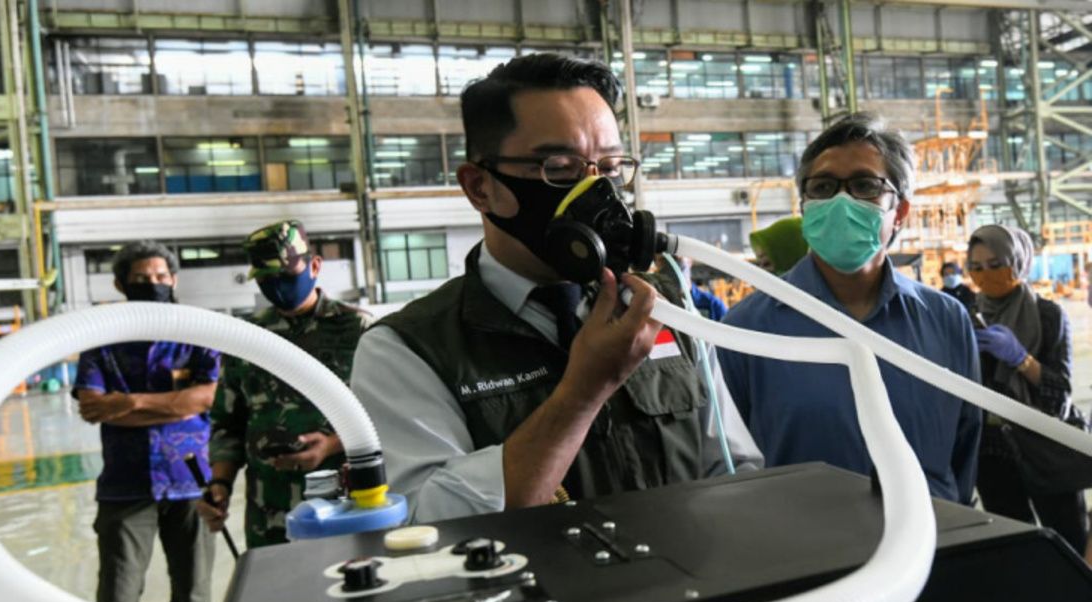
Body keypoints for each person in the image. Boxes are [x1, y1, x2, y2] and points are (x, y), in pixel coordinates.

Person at [350, 53, 761, 523]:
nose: (595, 193)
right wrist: (583, 392)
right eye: (559, 169)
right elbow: (428, 530)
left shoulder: (661, 302)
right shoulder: (407, 351)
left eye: (608, 168)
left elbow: (734, 466)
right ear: (479, 187)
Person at [719, 113, 981, 504]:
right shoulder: (745, 331)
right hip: (807, 554)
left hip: (934, 547)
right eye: (823, 187)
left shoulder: (945, 320)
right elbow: (730, 463)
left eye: (864, 185)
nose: (841, 201)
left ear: (902, 212)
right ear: (804, 206)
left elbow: (964, 448)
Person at [68, 241, 219, 602]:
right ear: (120, 284)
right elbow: (91, 407)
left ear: (174, 280)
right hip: (126, 486)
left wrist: (128, 401)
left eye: (160, 273)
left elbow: (205, 398)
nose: (152, 280)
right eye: (141, 274)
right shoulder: (102, 338)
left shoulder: (199, 331)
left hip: (191, 481)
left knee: (194, 598)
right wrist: (167, 406)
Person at [196, 221, 371, 548]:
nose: (277, 286)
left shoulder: (358, 328)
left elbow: (388, 412)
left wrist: (331, 445)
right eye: (266, 279)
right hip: (270, 511)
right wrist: (219, 484)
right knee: (278, 593)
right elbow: (227, 422)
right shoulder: (246, 337)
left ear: (315, 266)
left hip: (346, 501)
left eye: (286, 276)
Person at [967, 224, 1088, 554]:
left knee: (1068, 539)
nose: (986, 275)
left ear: (1017, 261)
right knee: (1013, 544)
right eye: (976, 267)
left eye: (996, 264)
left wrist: (1021, 359)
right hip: (993, 451)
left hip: (1045, 445)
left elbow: (1059, 393)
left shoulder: (1048, 316)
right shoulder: (967, 316)